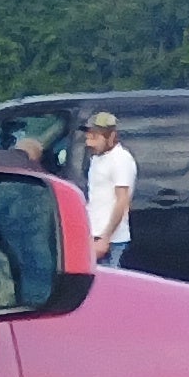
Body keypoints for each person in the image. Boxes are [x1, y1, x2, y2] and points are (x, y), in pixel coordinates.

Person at [80, 108, 137, 266]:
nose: (89, 142)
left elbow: (122, 201)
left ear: (111, 136)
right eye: (88, 137)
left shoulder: (120, 159)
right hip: (95, 237)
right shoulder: (97, 159)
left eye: (95, 137)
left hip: (112, 242)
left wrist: (105, 238)